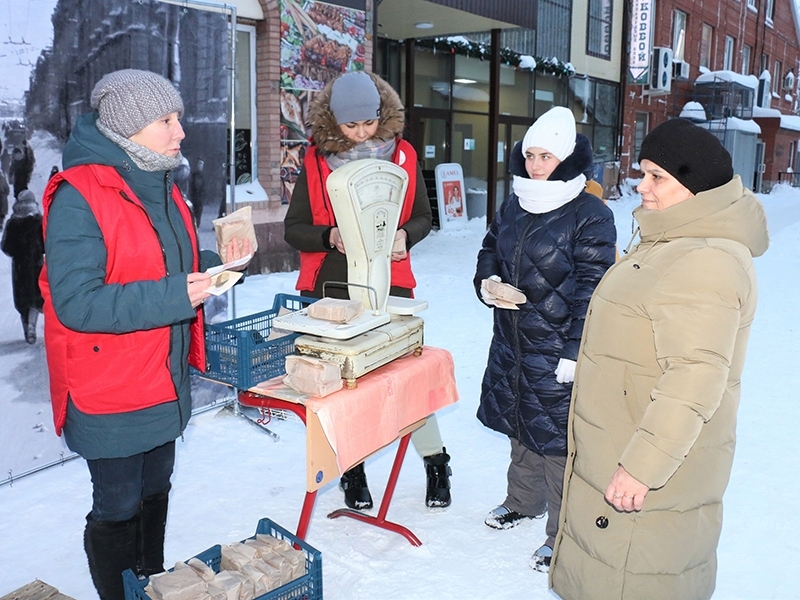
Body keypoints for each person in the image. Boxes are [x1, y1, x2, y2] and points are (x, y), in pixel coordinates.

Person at [39, 69, 250, 600]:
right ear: (127, 128)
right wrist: (179, 294)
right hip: (110, 388)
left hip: (163, 376)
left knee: (156, 492)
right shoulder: (80, 194)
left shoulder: (161, 183)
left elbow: (160, 266)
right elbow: (78, 302)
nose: (180, 132)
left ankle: (150, 585)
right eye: (167, 120)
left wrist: (211, 266)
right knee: (117, 507)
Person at [550, 119, 769, 599]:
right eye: (642, 172)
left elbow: (694, 380)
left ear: (694, 186)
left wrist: (643, 466)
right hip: (622, 443)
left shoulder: (704, 259)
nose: (640, 186)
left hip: (647, 468)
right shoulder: (671, 240)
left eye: (656, 177)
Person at [284, 70, 453, 510]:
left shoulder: (404, 156)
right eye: (350, 125)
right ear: (332, 122)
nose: (361, 133)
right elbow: (294, 229)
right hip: (333, 286)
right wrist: (330, 236)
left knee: (407, 380)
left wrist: (405, 236)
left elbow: (422, 216)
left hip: (390, 282)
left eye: (369, 123)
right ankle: (352, 470)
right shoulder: (315, 162)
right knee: (343, 387)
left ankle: (436, 462)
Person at [473, 106, 616, 572]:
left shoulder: (590, 213)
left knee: (558, 443)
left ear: (569, 157)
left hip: (558, 348)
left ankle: (564, 533)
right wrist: (487, 283)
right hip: (513, 341)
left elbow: (595, 288)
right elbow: (491, 246)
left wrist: (575, 353)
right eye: (530, 154)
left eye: (546, 156)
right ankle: (522, 501)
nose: (535, 165)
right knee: (521, 425)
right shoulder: (516, 199)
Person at [1, 189, 44, 343]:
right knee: (36, 297)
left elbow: (5, 246)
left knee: (22, 299)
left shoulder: (12, 222)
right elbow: (46, 243)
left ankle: (27, 328)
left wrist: (17, 251)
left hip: (19, 268)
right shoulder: (39, 220)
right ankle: (32, 325)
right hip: (36, 265)